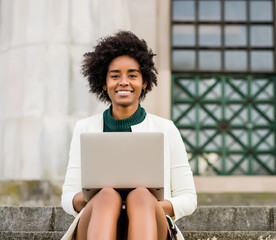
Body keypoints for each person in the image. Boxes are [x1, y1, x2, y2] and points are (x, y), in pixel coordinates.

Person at [61, 31, 197, 240]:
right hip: (97, 220)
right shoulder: (84, 128)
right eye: (115, 76)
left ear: (144, 82)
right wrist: (94, 198)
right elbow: (67, 197)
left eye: (132, 75)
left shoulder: (166, 128)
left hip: (150, 222)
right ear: (104, 83)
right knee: (106, 197)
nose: (123, 82)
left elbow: (188, 198)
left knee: (141, 196)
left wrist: (148, 205)